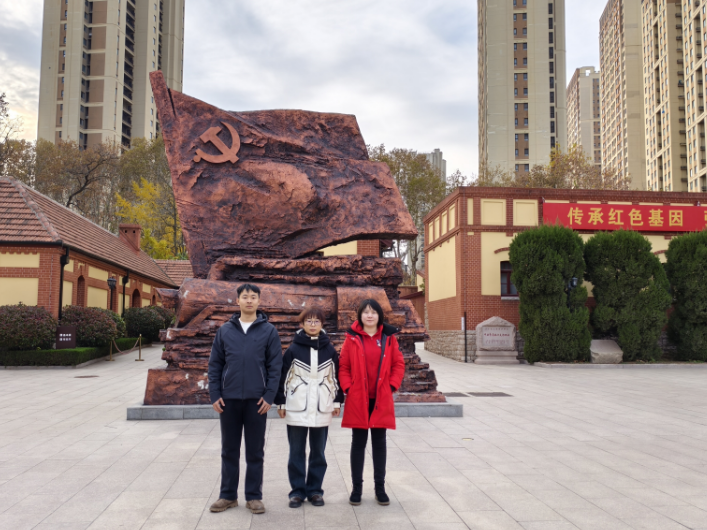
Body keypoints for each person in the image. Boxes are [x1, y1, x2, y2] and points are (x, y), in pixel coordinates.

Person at [207, 284, 283, 515]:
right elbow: (215, 365)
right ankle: (228, 495)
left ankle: (254, 496)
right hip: (228, 400)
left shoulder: (269, 331)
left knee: (255, 451)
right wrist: (215, 394)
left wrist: (269, 396)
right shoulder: (225, 331)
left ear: (259, 301)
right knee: (229, 449)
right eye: (245, 297)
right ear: (237, 301)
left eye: (253, 297)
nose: (249, 300)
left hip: (256, 401)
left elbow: (275, 367)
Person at [274, 307, 343, 508]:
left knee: (318, 452)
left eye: (316, 321)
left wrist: (337, 401)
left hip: (322, 406)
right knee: (296, 452)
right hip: (297, 406)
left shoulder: (329, 350)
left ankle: (315, 491)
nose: (313, 325)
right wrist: (281, 402)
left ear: (322, 324)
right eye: (309, 321)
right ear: (302, 324)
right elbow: (283, 377)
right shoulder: (293, 350)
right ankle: (297, 492)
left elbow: (335, 378)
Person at [339, 298, 405, 506]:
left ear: (379, 315)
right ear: (360, 315)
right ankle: (357, 488)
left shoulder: (388, 338)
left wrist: (391, 386)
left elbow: (398, 364)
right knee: (358, 443)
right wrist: (348, 388)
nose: (369, 315)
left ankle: (380, 488)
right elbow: (343, 367)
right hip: (358, 398)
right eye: (366, 312)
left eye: (373, 312)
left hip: (380, 398)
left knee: (379, 443)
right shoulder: (352, 338)